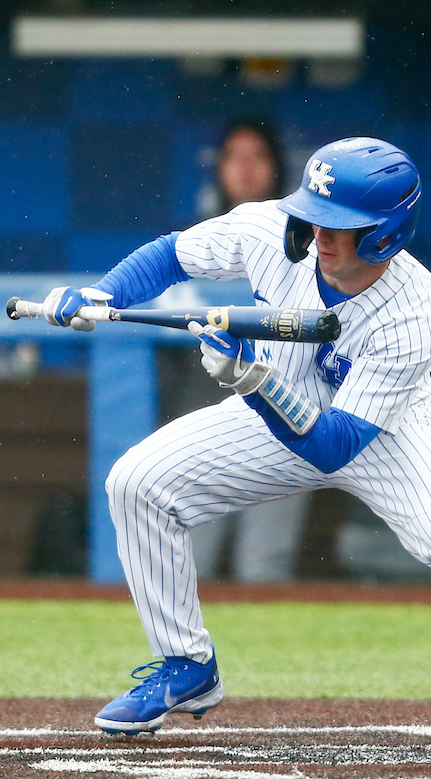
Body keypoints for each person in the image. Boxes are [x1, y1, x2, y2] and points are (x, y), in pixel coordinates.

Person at [39, 136, 431, 751]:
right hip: (270, 409)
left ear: (385, 232)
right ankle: (185, 666)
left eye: (339, 225)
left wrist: (252, 377)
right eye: (314, 217)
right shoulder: (273, 228)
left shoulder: (413, 308)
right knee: (137, 483)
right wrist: (102, 294)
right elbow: (173, 255)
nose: (318, 235)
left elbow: (335, 446)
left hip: (383, 437)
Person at [161, 117, 313, 583]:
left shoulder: (310, 242)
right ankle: (188, 658)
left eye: (258, 157)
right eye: (234, 158)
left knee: (264, 568)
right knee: (189, 566)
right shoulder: (191, 241)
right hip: (201, 420)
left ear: (277, 166)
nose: (246, 169)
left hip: (282, 416)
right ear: (219, 168)